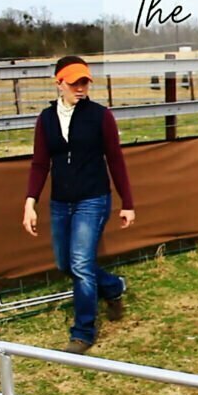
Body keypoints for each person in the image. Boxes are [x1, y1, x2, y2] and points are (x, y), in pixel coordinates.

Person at [22, 56, 136, 355]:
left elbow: (115, 160)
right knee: (66, 264)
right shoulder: (46, 119)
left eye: (85, 82)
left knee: (82, 265)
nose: (81, 88)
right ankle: (113, 287)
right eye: (74, 83)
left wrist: (128, 202)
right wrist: (30, 203)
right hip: (61, 202)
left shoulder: (100, 116)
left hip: (93, 199)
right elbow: (39, 164)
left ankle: (83, 332)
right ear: (58, 83)